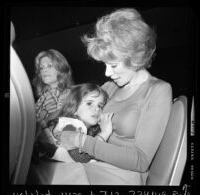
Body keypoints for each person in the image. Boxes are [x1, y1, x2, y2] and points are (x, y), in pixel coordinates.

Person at [58, 8, 172, 185]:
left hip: (123, 176)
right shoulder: (109, 88)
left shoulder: (158, 90)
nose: (106, 72)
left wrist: (81, 141)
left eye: (113, 65)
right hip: (93, 164)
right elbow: (79, 113)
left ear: (134, 58)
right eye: (104, 64)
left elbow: (141, 161)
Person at [38, 83, 113, 163]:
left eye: (100, 106)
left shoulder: (80, 127)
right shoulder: (70, 125)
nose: (97, 109)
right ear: (74, 107)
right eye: (89, 103)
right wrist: (104, 133)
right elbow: (81, 156)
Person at [31, 49, 73, 161]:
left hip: (61, 154)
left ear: (61, 68)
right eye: (41, 67)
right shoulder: (41, 99)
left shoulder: (71, 94)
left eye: (49, 66)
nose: (44, 70)